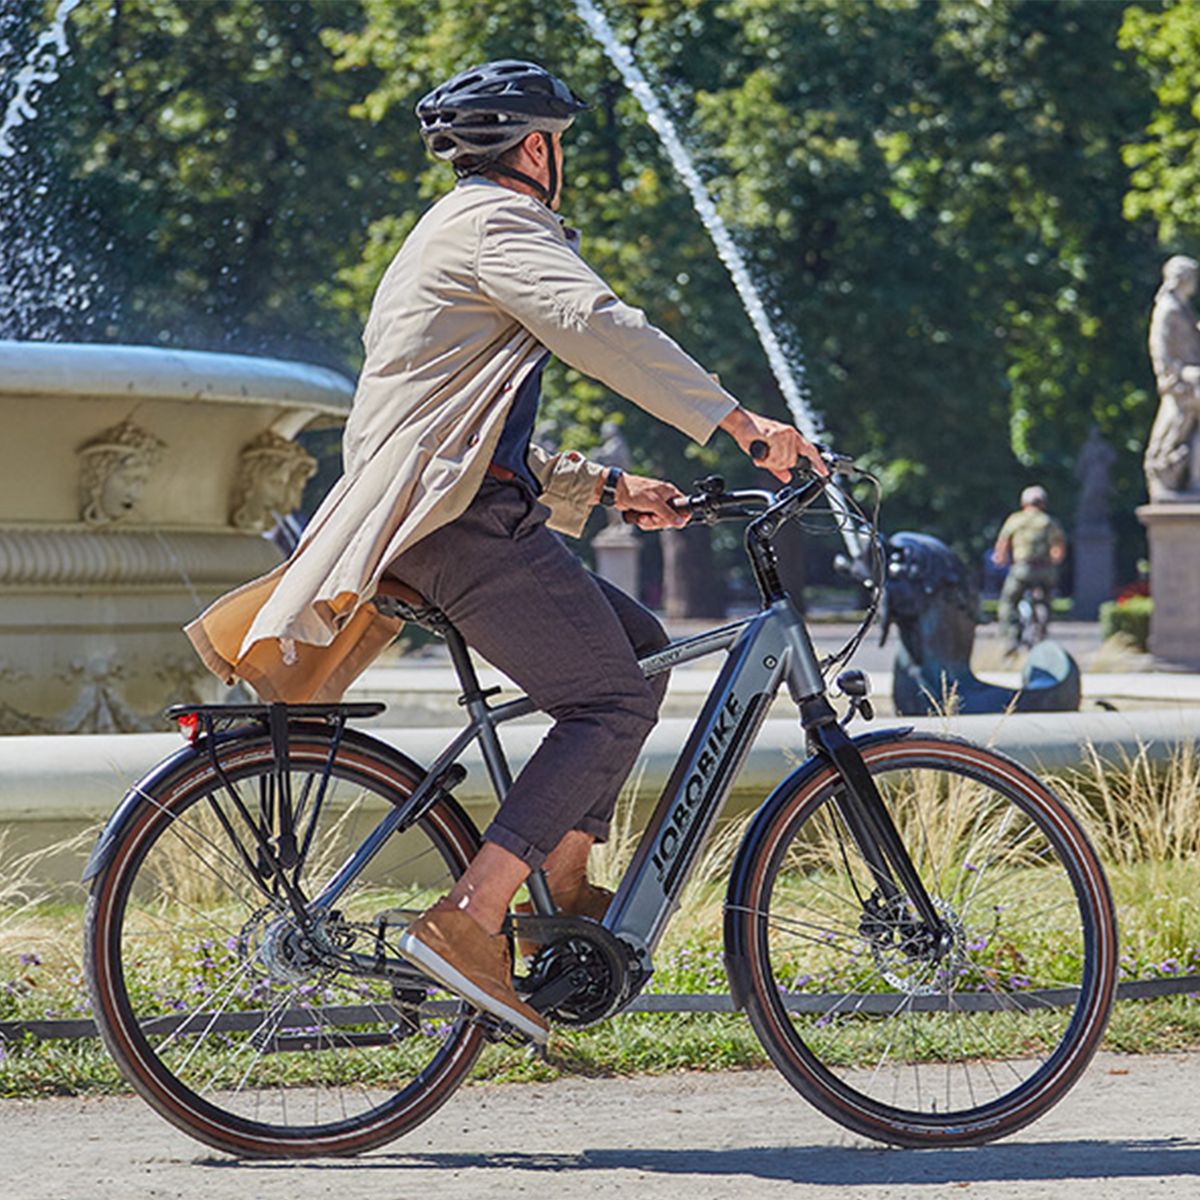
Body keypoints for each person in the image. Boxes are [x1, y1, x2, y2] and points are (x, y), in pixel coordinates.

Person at [185, 59, 824, 1044]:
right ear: (537, 147)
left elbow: (462, 425)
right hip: (462, 531)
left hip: (458, 517)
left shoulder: (450, 230)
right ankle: (474, 916)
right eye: (559, 143)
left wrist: (609, 489)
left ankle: (557, 898)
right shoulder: (500, 226)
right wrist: (741, 423)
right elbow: (598, 325)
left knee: (639, 653)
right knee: (608, 698)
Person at [992, 485, 1066, 653]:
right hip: (1045, 570)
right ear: (1043, 504)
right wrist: (1055, 561)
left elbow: (1003, 543)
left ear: (1024, 503)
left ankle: (1010, 637)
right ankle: (1043, 631)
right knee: (1046, 600)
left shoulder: (1016, 520)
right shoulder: (1048, 521)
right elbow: (1058, 546)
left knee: (1008, 601)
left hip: (1023, 569)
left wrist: (1001, 558)